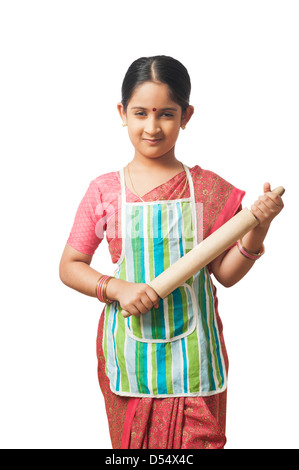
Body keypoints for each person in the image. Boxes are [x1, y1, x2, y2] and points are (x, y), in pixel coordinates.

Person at [59, 55, 284, 449]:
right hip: (130, 357)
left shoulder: (208, 189)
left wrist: (258, 225)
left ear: (186, 115)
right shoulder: (105, 190)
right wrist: (117, 288)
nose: (152, 126)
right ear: (122, 113)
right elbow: (70, 265)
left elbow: (226, 275)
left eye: (166, 114)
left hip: (195, 357)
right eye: (140, 113)